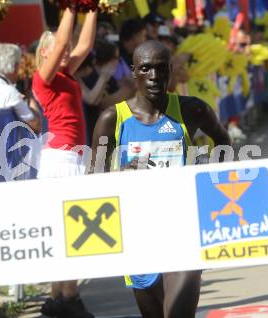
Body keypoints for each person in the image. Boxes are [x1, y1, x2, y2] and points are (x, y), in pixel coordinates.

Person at [90, 40, 230, 318]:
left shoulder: (192, 110)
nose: (154, 77)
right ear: (133, 71)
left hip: (184, 227)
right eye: (146, 69)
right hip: (139, 233)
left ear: (170, 71)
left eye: (161, 69)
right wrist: (120, 175)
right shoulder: (112, 118)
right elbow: (93, 178)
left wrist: (213, 183)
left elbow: (223, 141)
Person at [32, 7, 97, 318]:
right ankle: (68, 295)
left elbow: (84, 45)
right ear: (44, 52)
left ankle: (59, 295)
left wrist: (92, 7)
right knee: (70, 229)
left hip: (70, 157)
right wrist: (72, 7)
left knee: (66, 229)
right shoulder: (42, 79)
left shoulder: (65, 74)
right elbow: (62, 43)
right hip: (61, 159)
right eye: (60, 48)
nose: (68, 52)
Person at [76, 40, 135, 145]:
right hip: (90, 128)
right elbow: (94, 101)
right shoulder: (89, 77)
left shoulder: (109, 78)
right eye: (116, 58)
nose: (117, 62)